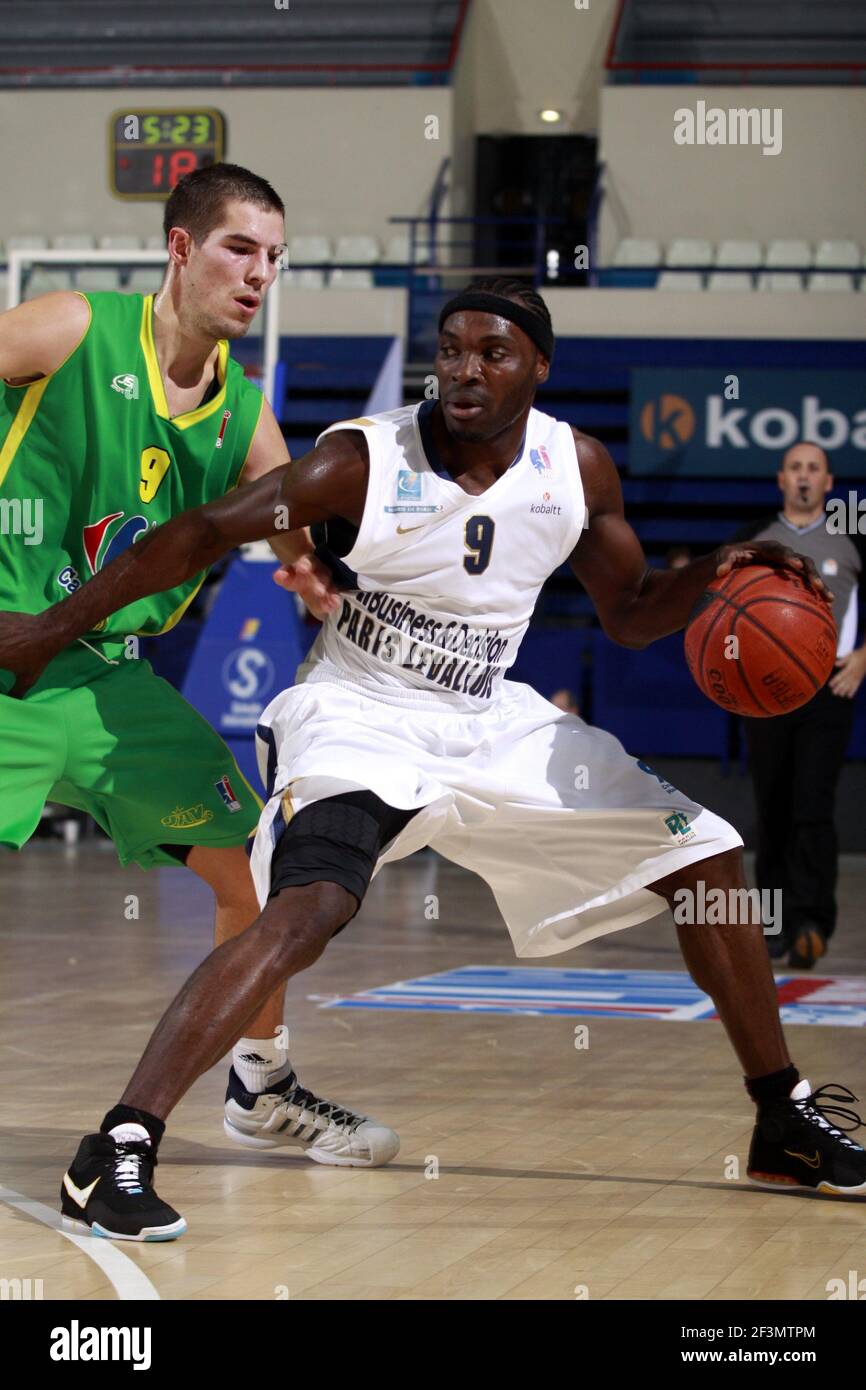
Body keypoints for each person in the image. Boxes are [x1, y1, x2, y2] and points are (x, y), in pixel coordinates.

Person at [2, 278, 864, 1241]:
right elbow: (200, 532)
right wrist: (49, 628)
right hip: (357, 714)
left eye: (492, 353)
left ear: (538, 367)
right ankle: (120, 1142)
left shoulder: (574, 466)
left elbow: (628, 615)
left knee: (708, 857)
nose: (464, 369)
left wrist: (726, 569)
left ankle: (781, 1119)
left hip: (492, 721)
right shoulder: (363, 461)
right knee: (310, 908)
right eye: (451, 349)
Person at [0, 163, 398, 1244]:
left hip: (112, 681)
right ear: (179, 249)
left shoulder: (247, 422)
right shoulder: (70, 329)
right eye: (238, 248)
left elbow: (296, 546)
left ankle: (260, 1084)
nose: (257, 272)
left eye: (272, 256)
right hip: (5, 662)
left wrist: (318, 580)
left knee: (259, 869)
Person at [731, 442, 866, 968]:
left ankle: (813, 922)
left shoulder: (852, 535)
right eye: (795, 468)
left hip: (830, 688)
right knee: (773, 808)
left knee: (813, 807)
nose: (804, 477)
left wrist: (862, 657)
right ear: (780, 479)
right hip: (767, 689)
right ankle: (774, 926)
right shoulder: (754, 536)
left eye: (814, 468)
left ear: (829, 482)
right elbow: (711, 598)